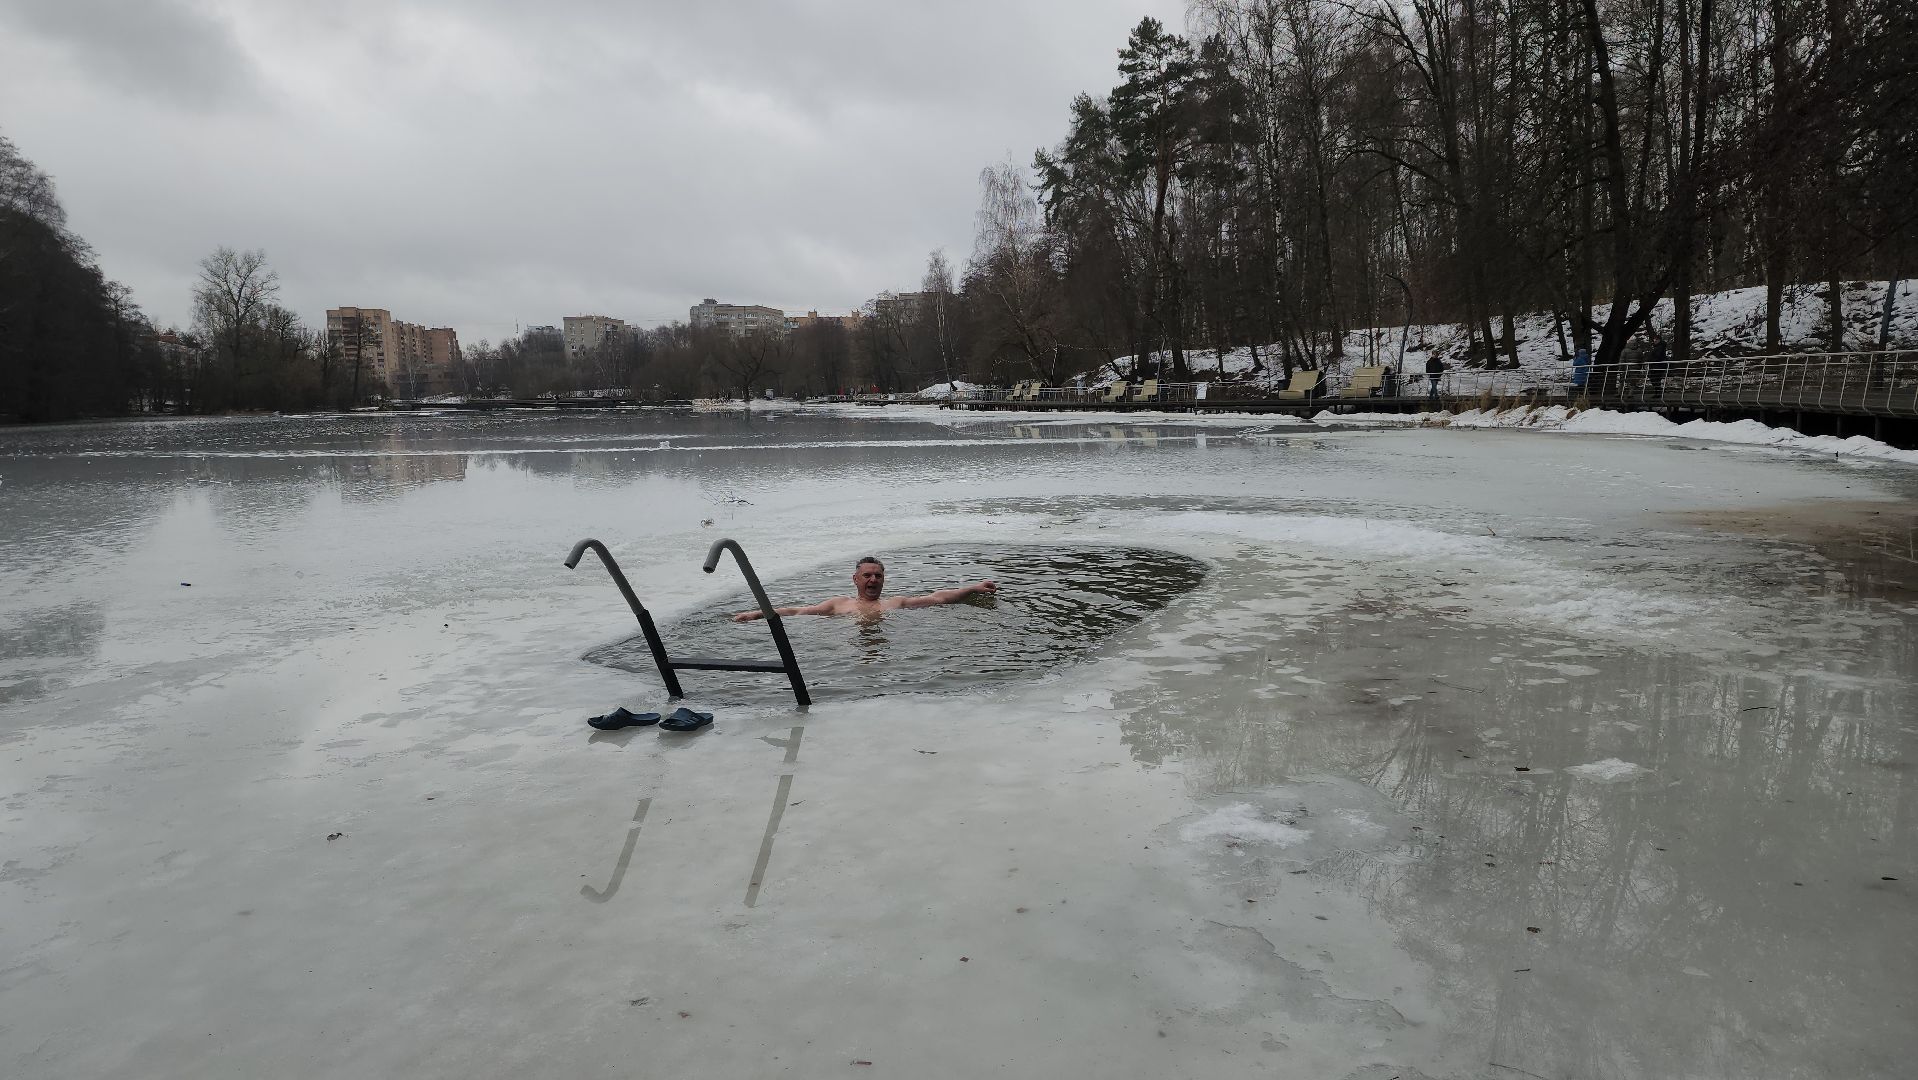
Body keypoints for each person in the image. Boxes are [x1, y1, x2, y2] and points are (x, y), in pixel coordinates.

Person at [732, 556, 997, 622]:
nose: (873, 580)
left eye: (878, 576)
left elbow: (938, 598)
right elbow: (796, 611)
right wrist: (756, 614)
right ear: (855, 579)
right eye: (867, 575)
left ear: (883, 579)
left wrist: (973, 587)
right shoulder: (838, 605)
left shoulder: (895, 603)